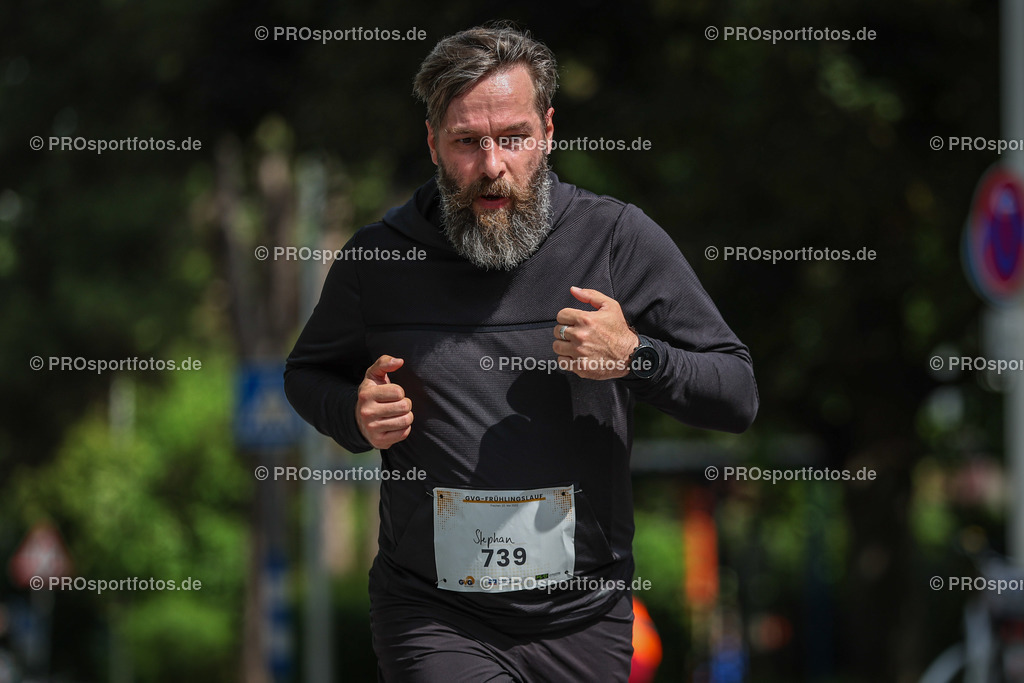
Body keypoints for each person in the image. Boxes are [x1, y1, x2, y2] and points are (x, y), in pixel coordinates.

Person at [284, 23, 758, 682]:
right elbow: (307, 374)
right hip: (432, 612)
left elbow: (736, 391)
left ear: (549, 131)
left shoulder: (615, 239)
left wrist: (638, 355)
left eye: (512, 138)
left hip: (583, 617)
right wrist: (353, 413)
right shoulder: (379, 257)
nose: (492, 166)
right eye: (467, 143)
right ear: (432, 143)